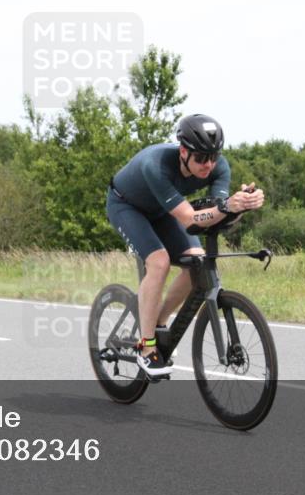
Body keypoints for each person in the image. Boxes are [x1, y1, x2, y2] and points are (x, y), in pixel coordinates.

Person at [106, 114, 265, 377]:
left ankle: (158, 319)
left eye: (213, 157)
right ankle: (146, 348)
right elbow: (191, 219)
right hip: (126, 206)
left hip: (162, 211)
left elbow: (215, 216)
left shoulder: (218, 167)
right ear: (183, 151)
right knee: (158, 262)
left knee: (197, 263)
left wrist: (241, 205)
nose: (208, 164)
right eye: (201, 158)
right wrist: (227, 207)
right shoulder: (155, 166)